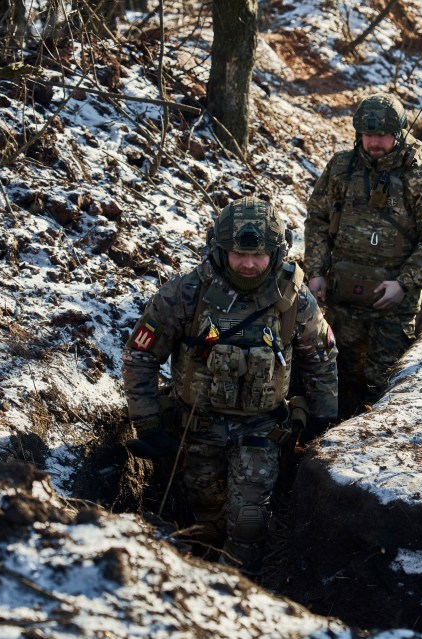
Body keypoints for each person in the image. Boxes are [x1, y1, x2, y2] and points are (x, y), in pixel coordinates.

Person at [122, 196, 338, 575]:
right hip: (196, 428)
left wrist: (323, 423)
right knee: (205, 514)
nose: (250, 265)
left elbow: (320, 360)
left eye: (259, 256)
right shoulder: (187, 295)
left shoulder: (294, 301)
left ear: (277, 251)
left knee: (248, 520)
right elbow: (140, 357)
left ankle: (240, 592)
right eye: (239, 255)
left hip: (261, 429)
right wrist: (149, 424)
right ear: (220, 250)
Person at [304, 92, 422, 416]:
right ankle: (330, 441)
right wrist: (316, 272)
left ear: (398, 133)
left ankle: (372, 443)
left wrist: (403, 282)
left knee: (383, 379)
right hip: (343, 295)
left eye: (382, 135)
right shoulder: (341, 169)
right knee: (340, 371)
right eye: (368, 134)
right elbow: (317, 219)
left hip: (393, 302)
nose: (374, 142)